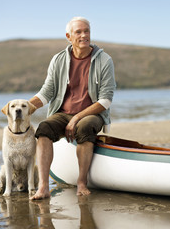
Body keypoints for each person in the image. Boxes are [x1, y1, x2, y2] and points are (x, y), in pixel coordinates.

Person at [29, 17, 116, 199]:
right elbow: (47, 92)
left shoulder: (104, 60)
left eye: (87, 31)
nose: (84, 35)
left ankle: (82, 182)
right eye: (78, 32)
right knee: (44, 128)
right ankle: (43, 186)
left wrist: (77, 118)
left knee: (84, 127)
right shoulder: (58, 59)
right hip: (63, 113)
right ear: (69, 36)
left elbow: (106, 100)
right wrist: (26, 107)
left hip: (92, 113)